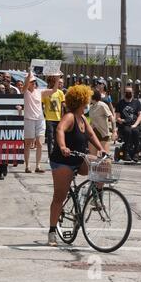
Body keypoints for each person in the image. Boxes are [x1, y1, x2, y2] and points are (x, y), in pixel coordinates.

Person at [48, 85, 106, 246]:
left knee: (102, 164)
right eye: (86, 100)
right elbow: (59, 129)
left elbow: (91, 134)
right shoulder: (70, 116)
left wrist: (101, 150)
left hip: (79, 158)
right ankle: (52, 231)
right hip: (63, 160)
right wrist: (62, 146)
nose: (88, 103)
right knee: (59, 195)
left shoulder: (82, 119)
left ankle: (96, 195)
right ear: (81, 101)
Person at [22, 69, 59, 173]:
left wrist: (57, 79)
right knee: (28, 144)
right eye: (31, 81)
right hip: (28, 119)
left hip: (40, 120)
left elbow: (54, 90)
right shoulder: (24, 92)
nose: (33, 83)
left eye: (34, 81)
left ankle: (38, 166)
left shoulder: (39, 92)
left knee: (40, 143)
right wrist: (29, 74)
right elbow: (25, 86)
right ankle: (27, 166)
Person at [115, 87, 141, 162]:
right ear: (124, 93)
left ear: (133, 93)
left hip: (134, 124)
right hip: (124, 124)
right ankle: (126, 152)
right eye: (126, 92)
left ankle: (136, 153)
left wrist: (135, 124)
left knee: (135, 132)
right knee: (127, 131)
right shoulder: (120, 103)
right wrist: (119, 120)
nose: (128, 94)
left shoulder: (137, 102)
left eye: (130, 92)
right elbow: (117, 115)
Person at [42, 76, 66, 159]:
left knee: (57, 138)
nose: (53, 83)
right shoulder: (46, 92)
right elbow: (41, 104)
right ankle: (50, 155)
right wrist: (43, 114)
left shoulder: (60, 93)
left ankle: (56, 154)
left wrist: (63, 117)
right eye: (51, 82)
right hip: (49, 119)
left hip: (58, 118)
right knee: (50, 138)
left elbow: (63, 106)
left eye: (54, 82)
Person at [89, 90, 117, 156]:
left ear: (93, 97)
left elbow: (112, 119)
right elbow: (92, 122)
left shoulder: (102, 105)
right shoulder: (91, 107)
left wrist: (114, 132)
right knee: (92, 157)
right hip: (93, 134)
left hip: (103, 134)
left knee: (104, 158)